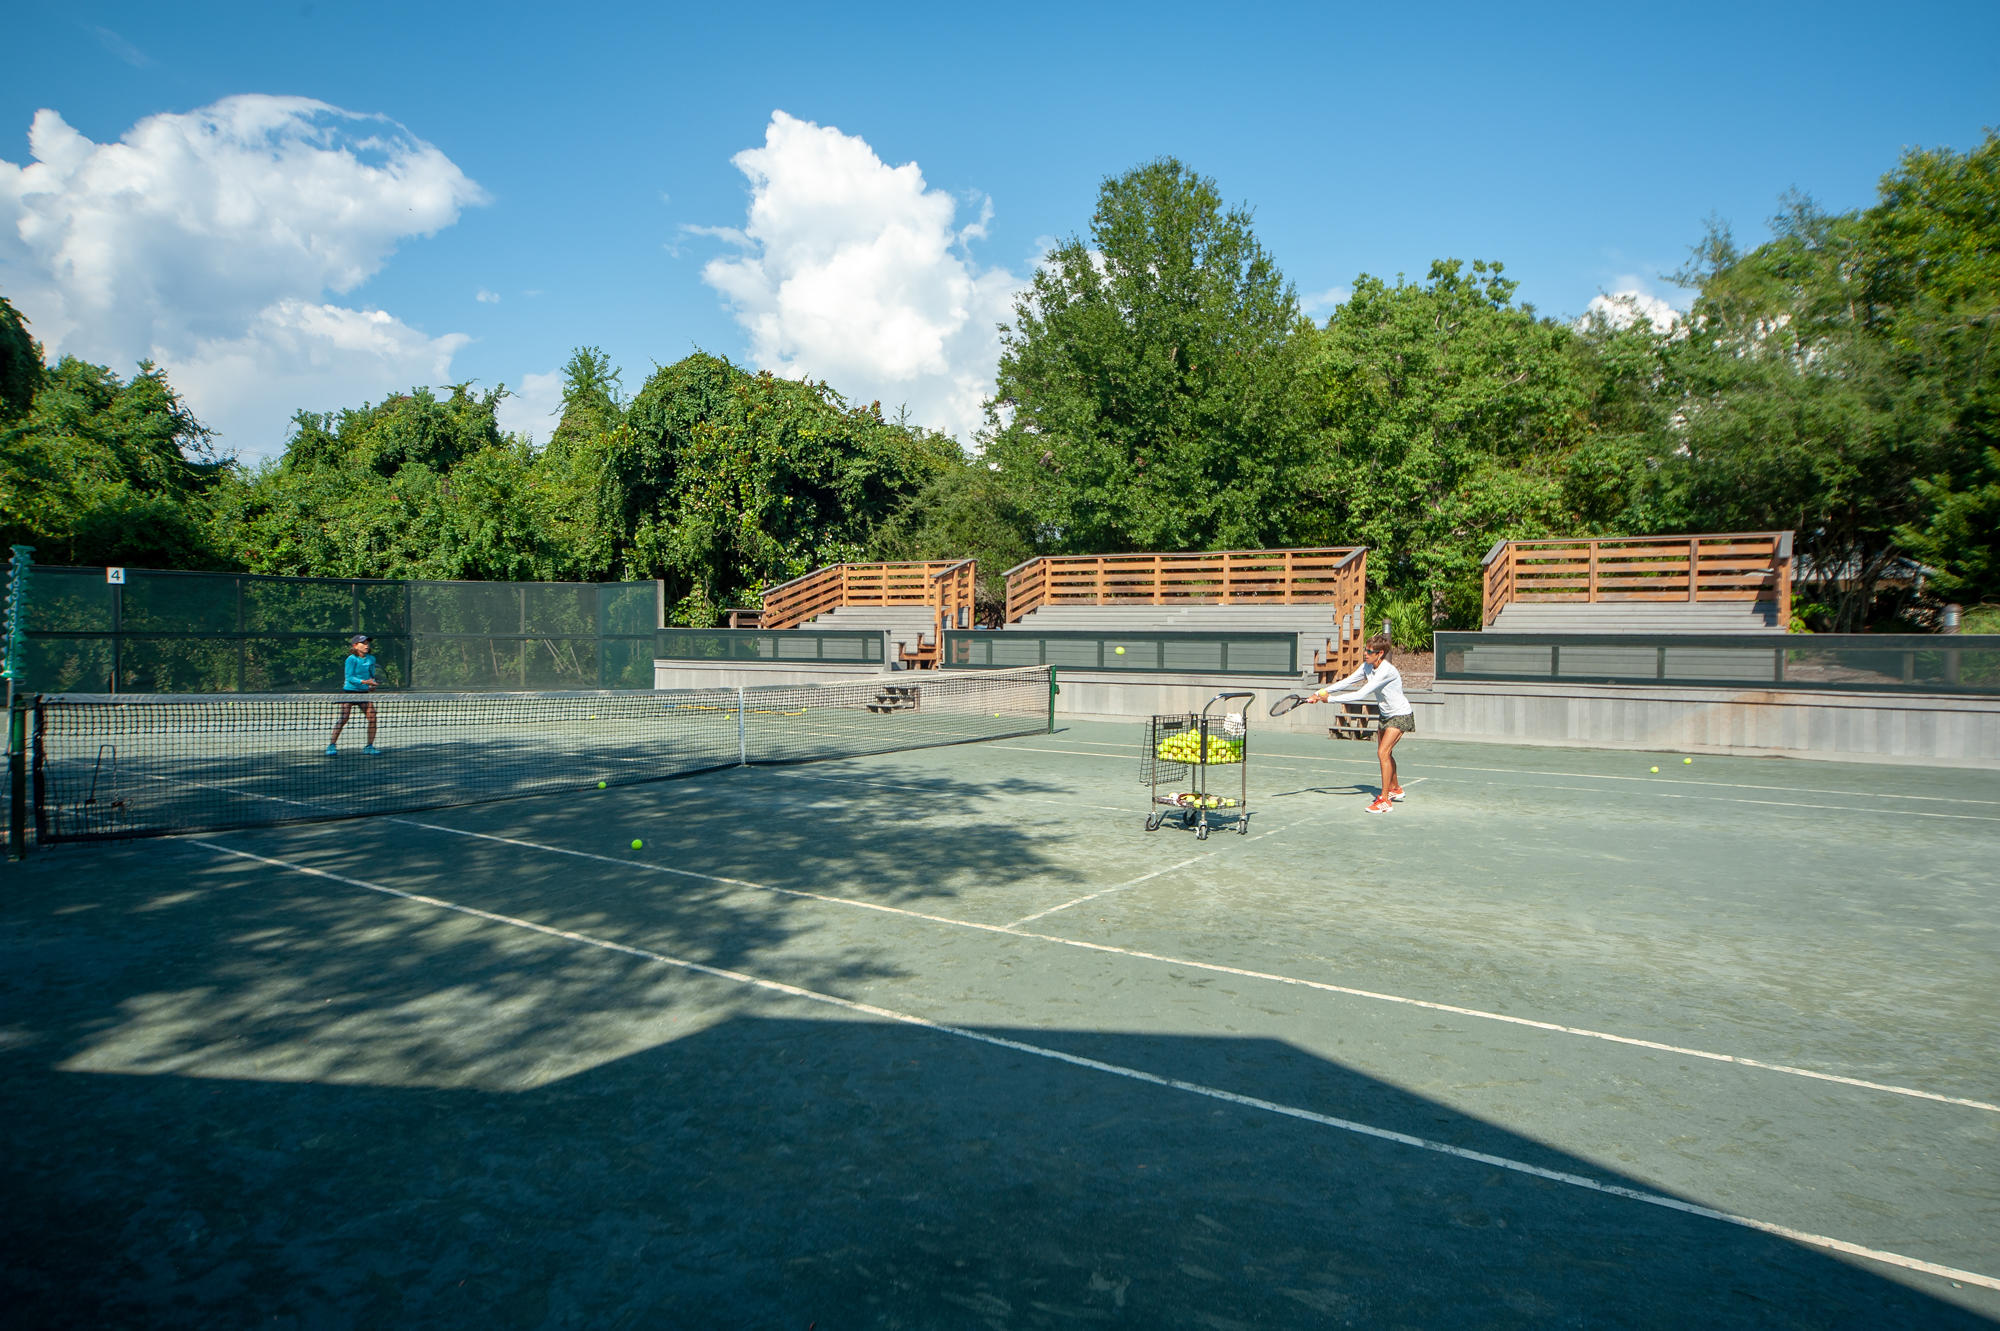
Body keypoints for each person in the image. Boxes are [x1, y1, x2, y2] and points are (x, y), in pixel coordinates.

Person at [1309, 634, 1411, 813]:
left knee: (1383, 752)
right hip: (1385, 715)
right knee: (1386, 753)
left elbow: (1360, 694)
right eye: (1366, 649)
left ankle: (1385, 800)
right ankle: (1396, 789)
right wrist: (1320, 692)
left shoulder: (1386, 671)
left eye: (1369, 651)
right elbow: (1347, 682)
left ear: (1380, 654)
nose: (1365, 653)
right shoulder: (1367, 666)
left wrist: (1330, 700)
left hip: (1400, 714)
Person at [327, 633, 382, 756]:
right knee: (344, 718)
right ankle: (332, 745)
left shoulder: (371, 659)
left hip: (364, 693)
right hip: (349, 692)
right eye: (364, 643)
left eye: (368, 643)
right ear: (355, 645)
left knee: (372, 717)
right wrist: (364, 682)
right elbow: (350, 677)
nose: (367, 645)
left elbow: (371, 675)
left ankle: (369, 746)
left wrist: (372, 684)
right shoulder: (351, 659)